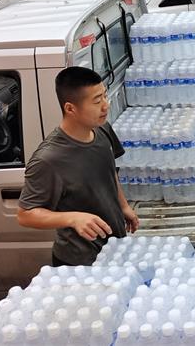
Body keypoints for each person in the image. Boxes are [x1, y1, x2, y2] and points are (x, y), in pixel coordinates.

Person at [18, 67, 139, 266]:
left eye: (105, 96)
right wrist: (72, 218)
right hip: (80, 260)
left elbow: (109, 172)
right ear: (70, 108)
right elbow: (25, 215)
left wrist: (124, 206)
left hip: (114, 247)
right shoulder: (48, 159)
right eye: (97, 101)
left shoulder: (102, 129)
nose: (106, 105)